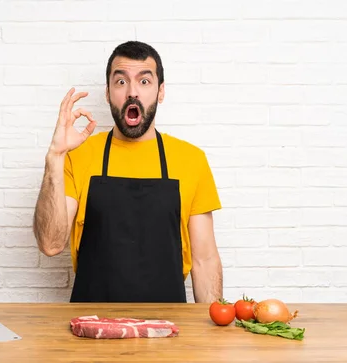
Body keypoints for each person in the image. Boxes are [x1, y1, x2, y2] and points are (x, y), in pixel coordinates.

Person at [33, 41, 223, 304]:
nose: (132, 92)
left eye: (144, 82)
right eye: (120, 82)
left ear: (161, 91)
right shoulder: (78, 155)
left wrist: (214, 331)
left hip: (168, 330)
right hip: (90, 328)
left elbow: (204, 261)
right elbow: (50, 244)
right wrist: (55, 156)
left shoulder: (191, 160)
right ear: (108, 93)